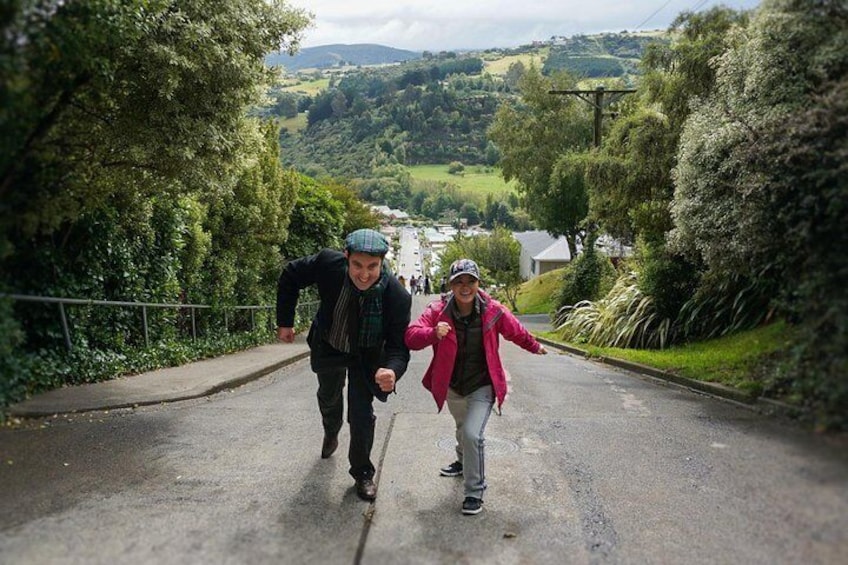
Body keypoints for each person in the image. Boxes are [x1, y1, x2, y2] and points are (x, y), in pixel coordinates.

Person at [276, 229, 411, 501]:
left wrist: (392, 371)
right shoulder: (328, 264)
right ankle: (331, 429)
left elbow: (398, 347)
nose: (364, 274)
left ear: (382, 262)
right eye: (357, 265)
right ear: (346, 257)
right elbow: (291, 274)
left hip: (366, 357)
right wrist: (285, 321)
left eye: (372, 267)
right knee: (329, 396)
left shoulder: (397, 296)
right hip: (330, 344)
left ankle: (363, 473)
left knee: (361, 414)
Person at [404, 258, 547, 515]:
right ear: (451, 285)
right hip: (452, 386)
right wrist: (433, 333)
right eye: (459, 282)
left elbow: (515, 331)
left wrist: (535, 346)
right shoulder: (438, 311)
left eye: (470, 281)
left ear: (478, 283)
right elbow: (411, 336)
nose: (465, 286)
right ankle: (462, 462)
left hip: (482, 384)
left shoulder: (493, 311)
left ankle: (474, 492)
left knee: (472, 434)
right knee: (462, 428)